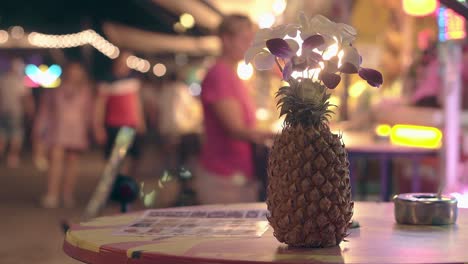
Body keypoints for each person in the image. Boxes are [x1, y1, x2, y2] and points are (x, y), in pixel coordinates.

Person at [194, 14, 272, 204]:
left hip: (235, 175)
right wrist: (275, 135)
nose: (249, 46)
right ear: (226, 40)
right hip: (224, 178)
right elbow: (235, 129)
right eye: (244, 39)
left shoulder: (231, 74)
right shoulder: (220, 74)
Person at [34, 62, 92, 208]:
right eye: (72, 71)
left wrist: (91, 129)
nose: (74, 74)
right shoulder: (55, 91)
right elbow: (45, 112)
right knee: (55, 163)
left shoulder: (85, 91)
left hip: (76, 131)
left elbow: (88, 113)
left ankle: (67, 194)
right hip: (58, 130)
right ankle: (52, 194)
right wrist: (39, 129)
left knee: (72, 164)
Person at [94, 51, 146, 178]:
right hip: (114, 125)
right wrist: (98, 127)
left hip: (130, 125)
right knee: (115, 159)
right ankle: (115, 184)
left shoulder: (133, 80)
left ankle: (126, 183)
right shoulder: (106, 81)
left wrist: (141, 121)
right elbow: (99, 106)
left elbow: (136, 103)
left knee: (134, 156)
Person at [0, 58, 34, 167]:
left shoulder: (3, 79)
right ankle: (12, 156)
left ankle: (3, 154)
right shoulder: (21, 81)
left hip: (3, 111)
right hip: (16, 112)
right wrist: (29, 110)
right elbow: (24, 98)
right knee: (16, 134)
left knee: (3, 134)